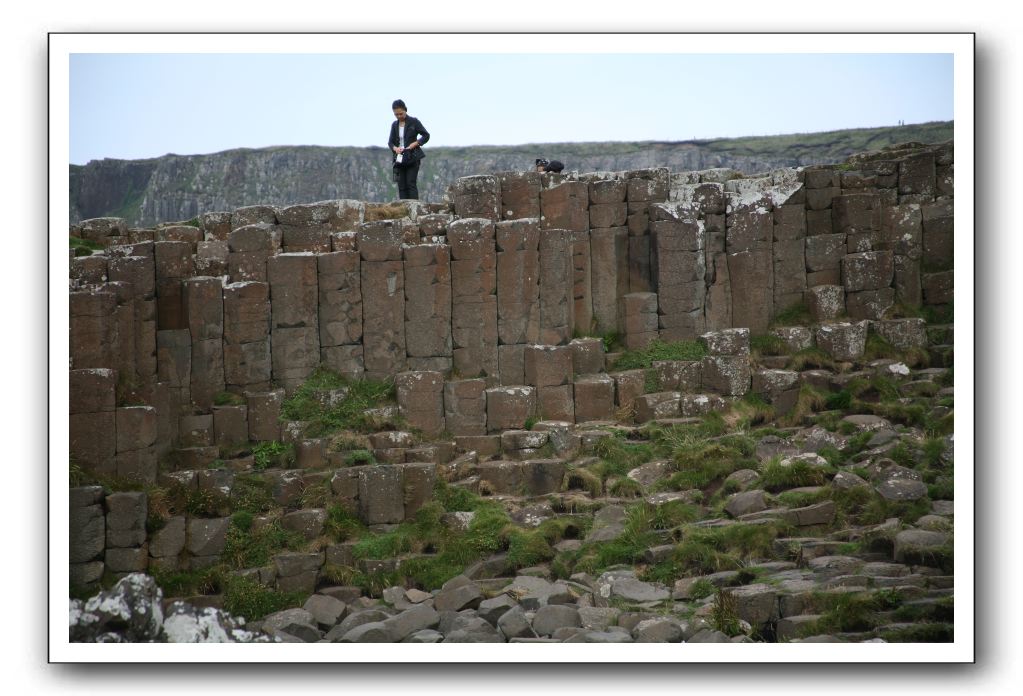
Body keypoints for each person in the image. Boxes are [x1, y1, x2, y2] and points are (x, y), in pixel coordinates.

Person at [389, 99, 430, 200]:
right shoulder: (394, 125)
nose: (399, 116)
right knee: (401, 186)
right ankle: (403, 210)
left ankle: (415, 209)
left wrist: (415, 143)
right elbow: (390, 142)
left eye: (400, 113)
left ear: (405, 110)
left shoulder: (414, 121)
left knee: (411, 184)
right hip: (399, 159)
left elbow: (426, 135)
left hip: (413, 156)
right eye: (396, 114)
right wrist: (395, 148)